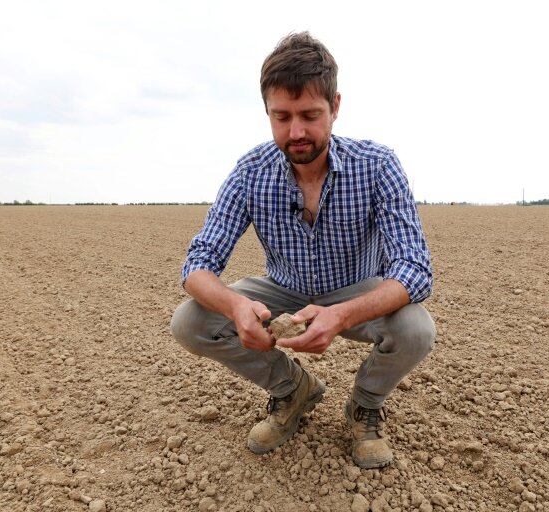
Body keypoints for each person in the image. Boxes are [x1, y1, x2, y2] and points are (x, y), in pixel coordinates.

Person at [170, 31, 435, 469]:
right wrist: (237, 307)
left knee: (416, 330)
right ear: (267, 113)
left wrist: (342, 315)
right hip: (284, 289)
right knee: (190, 321)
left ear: (335, 106)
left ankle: (364, 405)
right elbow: (197, 265)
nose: (296, 132)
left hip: (356, 288)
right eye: (282, 116)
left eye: (310, 115)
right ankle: (293, 390)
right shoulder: (250, 172)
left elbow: (414, 268)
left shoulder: (377, 165)